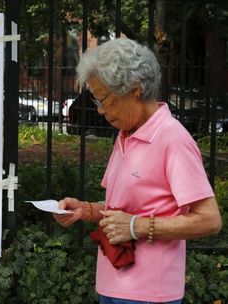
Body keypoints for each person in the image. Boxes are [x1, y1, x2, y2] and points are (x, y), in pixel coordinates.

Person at [53, 38, 222, 304]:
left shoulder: (173, 140)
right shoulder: (124, 135)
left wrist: (136, 226)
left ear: (135, 90)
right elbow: (119, 209)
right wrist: (84, 210)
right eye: (97, 100)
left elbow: (210, 220)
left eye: (105, 99)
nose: (101, 110)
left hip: (151, 292)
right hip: (112, 285)